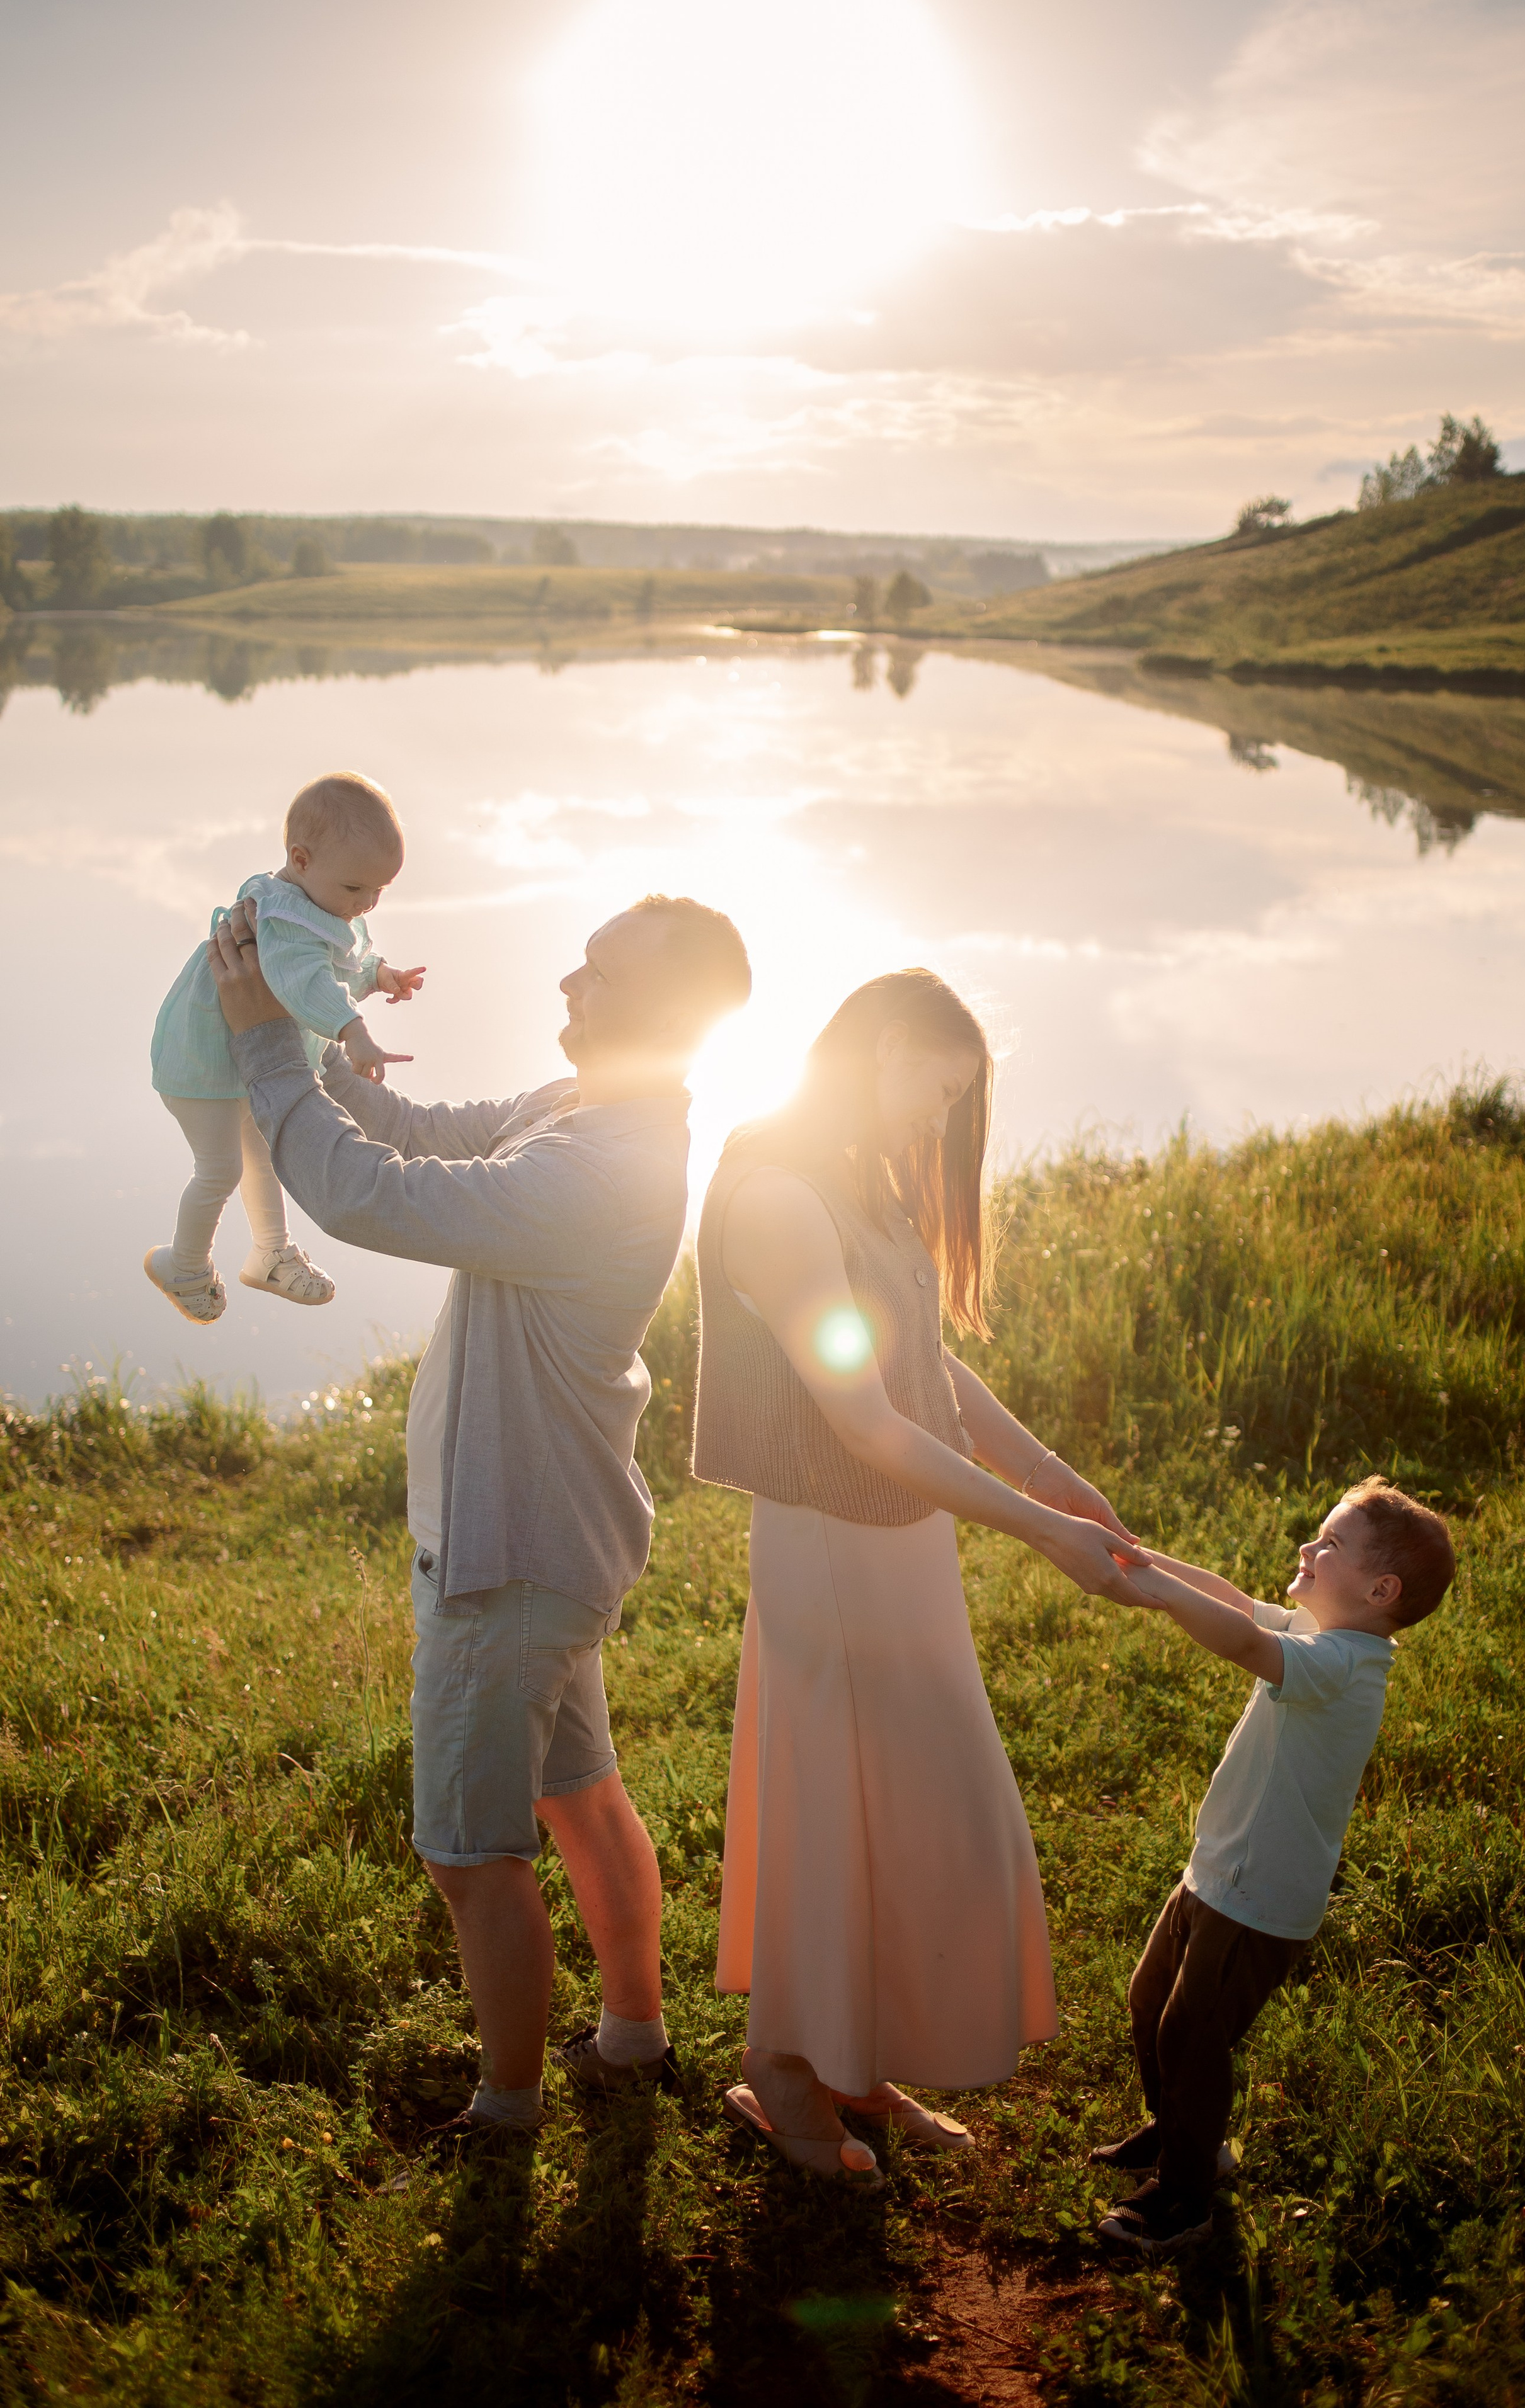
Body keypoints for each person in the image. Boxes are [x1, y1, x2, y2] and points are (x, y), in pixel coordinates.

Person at [207, 891, 751, 2131]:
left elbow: (367, 1198)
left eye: (598, 970)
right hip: (551, 1543)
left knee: (470, 1854)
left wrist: (250, 1047)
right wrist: (305, 1026)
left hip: (505, 1561)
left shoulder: (599, 1165)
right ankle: (629, 2034)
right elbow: (402, 1130)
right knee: (579, 1794)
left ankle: (505, 2113)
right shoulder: (581, 1113)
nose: (568, 981)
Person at [692, 968, 1145, 2188]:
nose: (931, 1129)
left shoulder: (858, 1181)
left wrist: (1049, 1477)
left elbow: (926, 1366)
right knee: (833, 1818)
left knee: (902, 1809)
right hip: (835, 1551)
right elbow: (866, 1424)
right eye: (929, 1094)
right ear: (876, 1048)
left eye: (952, 1106)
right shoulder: (781, 1195)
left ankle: (849, 2058)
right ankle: (778, 2075)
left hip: (900, 1541)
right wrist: (1030, 1533)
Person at [1089, 1476, 1456, 2255]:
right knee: (1151, 2001)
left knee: (1194, 2035)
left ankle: (1187, 2198)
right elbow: (1236, 1604)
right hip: (1217, 1867)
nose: (1306, 1547)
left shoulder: (1346, 1666)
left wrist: (1151, 1590)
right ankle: (1183, 2130)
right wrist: (1147, 1560)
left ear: (1380, 1588)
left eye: (1329, 1544)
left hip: (1254, 1896)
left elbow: (1243, 1642)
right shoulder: (1319, 1635)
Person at [146, 770, 425, 1324]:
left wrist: (379, 975)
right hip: (201, 1064)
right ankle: (183, 1264)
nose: (366, 903)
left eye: (380, 890)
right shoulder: (279, 914)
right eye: (355, 888)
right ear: (300, 859)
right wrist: (354, 1030)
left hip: (239, 1059)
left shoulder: (315, 901)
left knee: (265, 1153)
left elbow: (336, 964)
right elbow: (303, 980)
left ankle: (269, 1253)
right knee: (219, 1169)